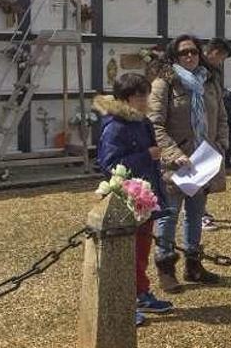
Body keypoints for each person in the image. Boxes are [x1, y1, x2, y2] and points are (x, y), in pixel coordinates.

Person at [149, 34, 228, 292]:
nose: (190, 56)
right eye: (184, 53)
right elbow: (156, 125)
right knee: (168, 215)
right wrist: (173, 154)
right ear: (175, 57)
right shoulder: (164, 84)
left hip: (203, 159)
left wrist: (221, 145)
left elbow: (223, 118)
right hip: (177, 163)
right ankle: (166, 267)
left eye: (194, 51)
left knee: (195, 214)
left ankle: (193, 264)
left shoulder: (209, 81)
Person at [95, 73, 173, 326]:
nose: (145, 99)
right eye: (140, 95)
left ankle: (141, 292)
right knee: (127, 254)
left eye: (145, 94)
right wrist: (145, 155)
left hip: (144, 195)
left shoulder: (141, 121)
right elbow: (109, 164)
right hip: (126, 197)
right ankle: (126, 301)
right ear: (127, 98)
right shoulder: (115, 126)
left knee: (141, 250)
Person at [201, 37, 231, 231]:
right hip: (198, 130)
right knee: (197, 175)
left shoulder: (212, 72)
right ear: (214, 52)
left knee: (204, 175)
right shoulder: (200, 72)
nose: (221, 62)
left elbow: (216, 98)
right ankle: (198, 213)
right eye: (222, 57)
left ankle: (199, 210)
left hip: (211, 129)